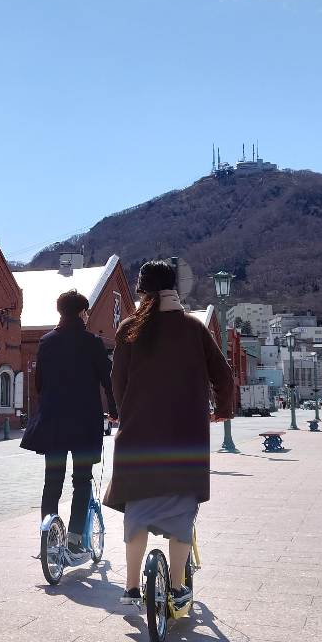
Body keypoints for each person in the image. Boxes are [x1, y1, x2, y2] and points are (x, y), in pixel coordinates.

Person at [103, 260, 234, 608]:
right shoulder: (192, 327)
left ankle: (131, 588)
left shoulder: (129, 328)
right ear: (174, 288)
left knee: (137, 514)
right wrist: (222, 409)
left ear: (141, 290)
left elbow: (117, 382)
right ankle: (176, 588)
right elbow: (223, 376)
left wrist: (124, 414)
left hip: (138, 439)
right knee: (181, 515)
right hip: (184, 438)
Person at [20, 288, 117, 555]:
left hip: (53, 421)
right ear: (83, 312)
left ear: (60, 312)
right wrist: (114, 410)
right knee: (82, 480)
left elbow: (39, 383)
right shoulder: (93, 342)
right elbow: (108, 381)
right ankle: (74, 541)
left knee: (52, 481)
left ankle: (49, 540)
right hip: (85, 423)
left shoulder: (46, 341)